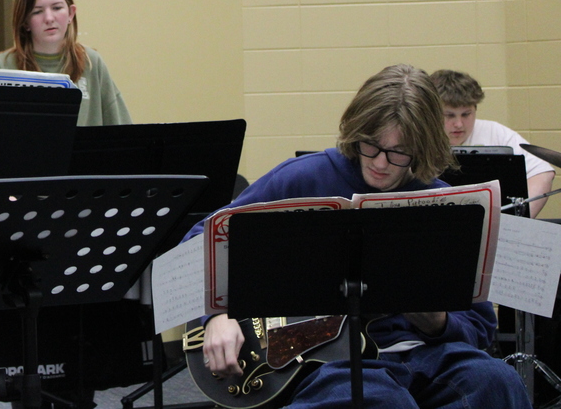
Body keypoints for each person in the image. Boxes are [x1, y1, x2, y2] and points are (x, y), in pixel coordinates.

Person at [184, 64, 531, 408]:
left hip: (423, 353)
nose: (380, 163)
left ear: (424, 148)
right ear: (355, 132)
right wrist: (216, 315)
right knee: (380, 399)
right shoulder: (303, 179)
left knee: (497, 382)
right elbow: (202, 239)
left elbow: (480, 324)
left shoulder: (447, 203)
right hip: (324, 358)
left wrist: (437, 322)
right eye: (371, 145)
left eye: (399, 152)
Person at [0, 0, 132, 126]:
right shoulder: (0, 67)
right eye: (37, 12)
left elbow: (123, 131)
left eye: (57, 8)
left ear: (71, 13)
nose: (49, 18)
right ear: (25, 21)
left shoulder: (92, 63)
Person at [431, 69, 555, 218]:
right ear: (433, 112)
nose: (459, 124)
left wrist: (519, 222)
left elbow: (542, 173)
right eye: (449, 115)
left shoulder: (495, 132)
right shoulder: (420, 137)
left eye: (466, 114)